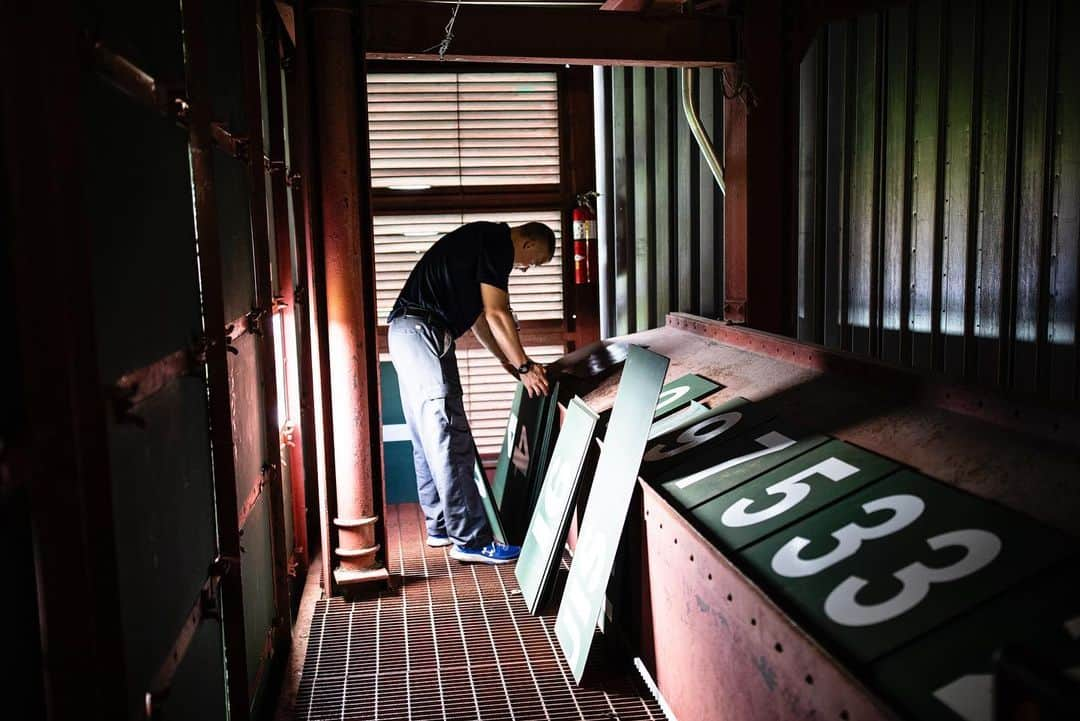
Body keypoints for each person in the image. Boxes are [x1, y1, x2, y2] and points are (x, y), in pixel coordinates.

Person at [387, 220, 555, 564]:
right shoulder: (498, 243)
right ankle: (472, 541)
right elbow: (497, 312)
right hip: (423, 334)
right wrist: (524, 366)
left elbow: (480, 319)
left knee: (428, 435)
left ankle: (441, 527)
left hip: (408, 333)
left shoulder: (480, 241)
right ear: (526, 243)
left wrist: (509, 363)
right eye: (533, 262)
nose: (525, 269)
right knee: (449, 434)